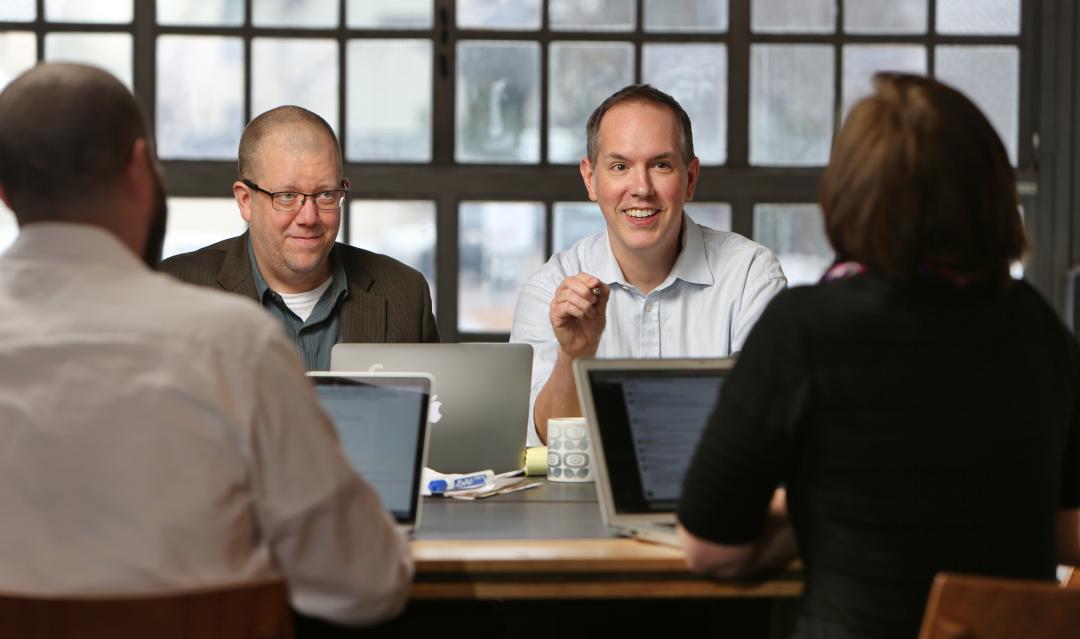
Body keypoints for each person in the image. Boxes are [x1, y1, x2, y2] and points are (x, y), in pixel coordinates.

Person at [0, 63, 412, 627]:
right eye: (287, 196)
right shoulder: (234, 343)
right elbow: (365, 583)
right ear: (141, 171)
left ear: (2, 191)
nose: (309, 217)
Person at [677, 73, 1080, 639]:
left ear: (849, 193)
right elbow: (1068, 533)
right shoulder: (1039, 326)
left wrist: (806, 515)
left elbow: (709, 548)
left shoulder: (804, 328)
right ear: (990, 192)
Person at [510, 84, 787, 445]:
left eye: (660, 164)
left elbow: (764, 425)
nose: (641, 188)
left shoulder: (751, 276)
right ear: (590, 179)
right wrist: (574, 355)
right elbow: (541, 440)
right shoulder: (551, 287)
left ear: (690, 179)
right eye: (620, 166)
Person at [160, 105, 438, 370]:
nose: (309, 218)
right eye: (287, 196)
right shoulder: (174, 293)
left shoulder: (405, 293)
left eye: (326, 194)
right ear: (245, 201)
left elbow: (438, 416)